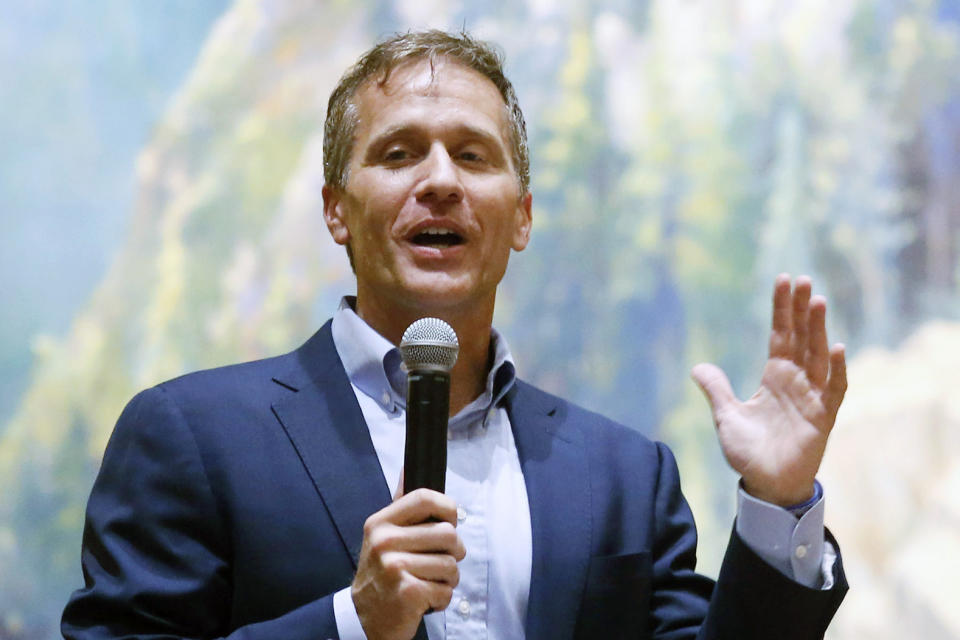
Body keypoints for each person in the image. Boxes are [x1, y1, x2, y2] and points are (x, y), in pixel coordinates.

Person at [62, 30, 848, 639]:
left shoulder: (624, 475)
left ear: (523, 217)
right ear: (336, 209)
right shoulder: (192, 435)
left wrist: (779, 506)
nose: (439, 180)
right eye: (399, 153)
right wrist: (353, 622)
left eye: (473, 156)